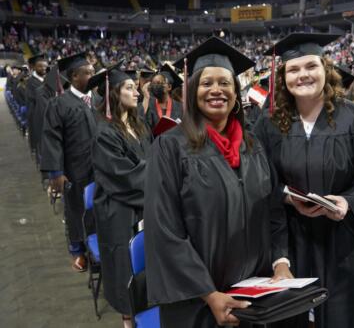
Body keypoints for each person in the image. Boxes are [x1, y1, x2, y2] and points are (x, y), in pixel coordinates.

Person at [255, 33, 354, 328]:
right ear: (283, 77)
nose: (303, 75)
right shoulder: (269, 125)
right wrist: (285, 199)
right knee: (294, 320)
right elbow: (260, 185)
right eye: (293, 70)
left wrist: (348, 203)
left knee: (343, 318)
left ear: (326, 69)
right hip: (292, 241)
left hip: (345, 242)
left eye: (311, 66)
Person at [144, 37, 288, 328]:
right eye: (206, 83)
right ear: (192, 90)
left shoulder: (253, 146)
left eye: (225, 83)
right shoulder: (169, 148)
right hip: (196, 301)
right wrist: (209, 294)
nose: (216, 90)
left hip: (253, 295)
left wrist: (280, 263)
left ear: (236, 92)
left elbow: (274, 211)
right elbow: (164, 230)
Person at [89, 64, 151, 328]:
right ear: (113, 93)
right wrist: (163, 172)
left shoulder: (138, 124)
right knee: (125, 270)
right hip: (119, 211)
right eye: (129, 87)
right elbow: (123, 176)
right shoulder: (105, 132)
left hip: (143, 205)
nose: (136, 91)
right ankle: (128, 320)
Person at [40, 52, 99, 272]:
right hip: (74, 168)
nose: (92, 75)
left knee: (98, 209)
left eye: (93, 72)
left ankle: (97, 247)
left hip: (99, 167)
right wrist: (56, 173)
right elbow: (52, 139)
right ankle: (78, 250)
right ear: (74, 76)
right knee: (76, 209)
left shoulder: (98, 101)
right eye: (87, 72)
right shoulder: (59, 104)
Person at [144, 63, 183, 132]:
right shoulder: (147, 106)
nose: (155, 86)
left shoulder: (181, 108)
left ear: (169, 87)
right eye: (153, 83)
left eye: (159, 83)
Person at [25, 54, 48, 156]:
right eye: (40, 66)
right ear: (34, 67)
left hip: (46, 112)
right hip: (37, 114)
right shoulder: (30, 82)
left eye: (45, 66)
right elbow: (34, 98)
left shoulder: (46, 79)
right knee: (40, 140)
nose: (43, 68)